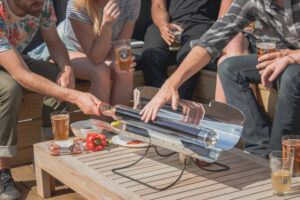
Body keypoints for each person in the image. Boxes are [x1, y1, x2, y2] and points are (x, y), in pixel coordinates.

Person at [140, 0, 300, 156]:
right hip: (286, 55)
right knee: (229, 68)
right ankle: (258, 148)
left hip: (294, 60)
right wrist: (171, 84)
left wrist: (293, 57)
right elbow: (211, 41)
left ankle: (279, 157)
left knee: (292, 75)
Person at [0, 0, 102, 199]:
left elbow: (54, 43)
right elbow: (20, 75)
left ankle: (50, 157)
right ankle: (2, 171)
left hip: (12, 55)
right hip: (11, 63)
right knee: (10, 89)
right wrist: (75, 96)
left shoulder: (41, 3)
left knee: (58, 79)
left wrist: (67, 68)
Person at [30, 0, 140, 108]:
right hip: (67, 52)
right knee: (100, 72)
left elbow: (122, 42)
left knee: (125, 70)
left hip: (104, 50)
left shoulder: (130, 2)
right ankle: (101, 125)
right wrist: (107, 26)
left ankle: (120, 123)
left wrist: (118, 61)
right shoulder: (77, 5)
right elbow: (96, 58)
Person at [140, 0, 220, 100]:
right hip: (169, 22)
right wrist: (163, 25)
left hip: (202, 23)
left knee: (188, 56)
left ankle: (180, 105)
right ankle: (157, 101)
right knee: (151, 53)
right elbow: (158, 5)